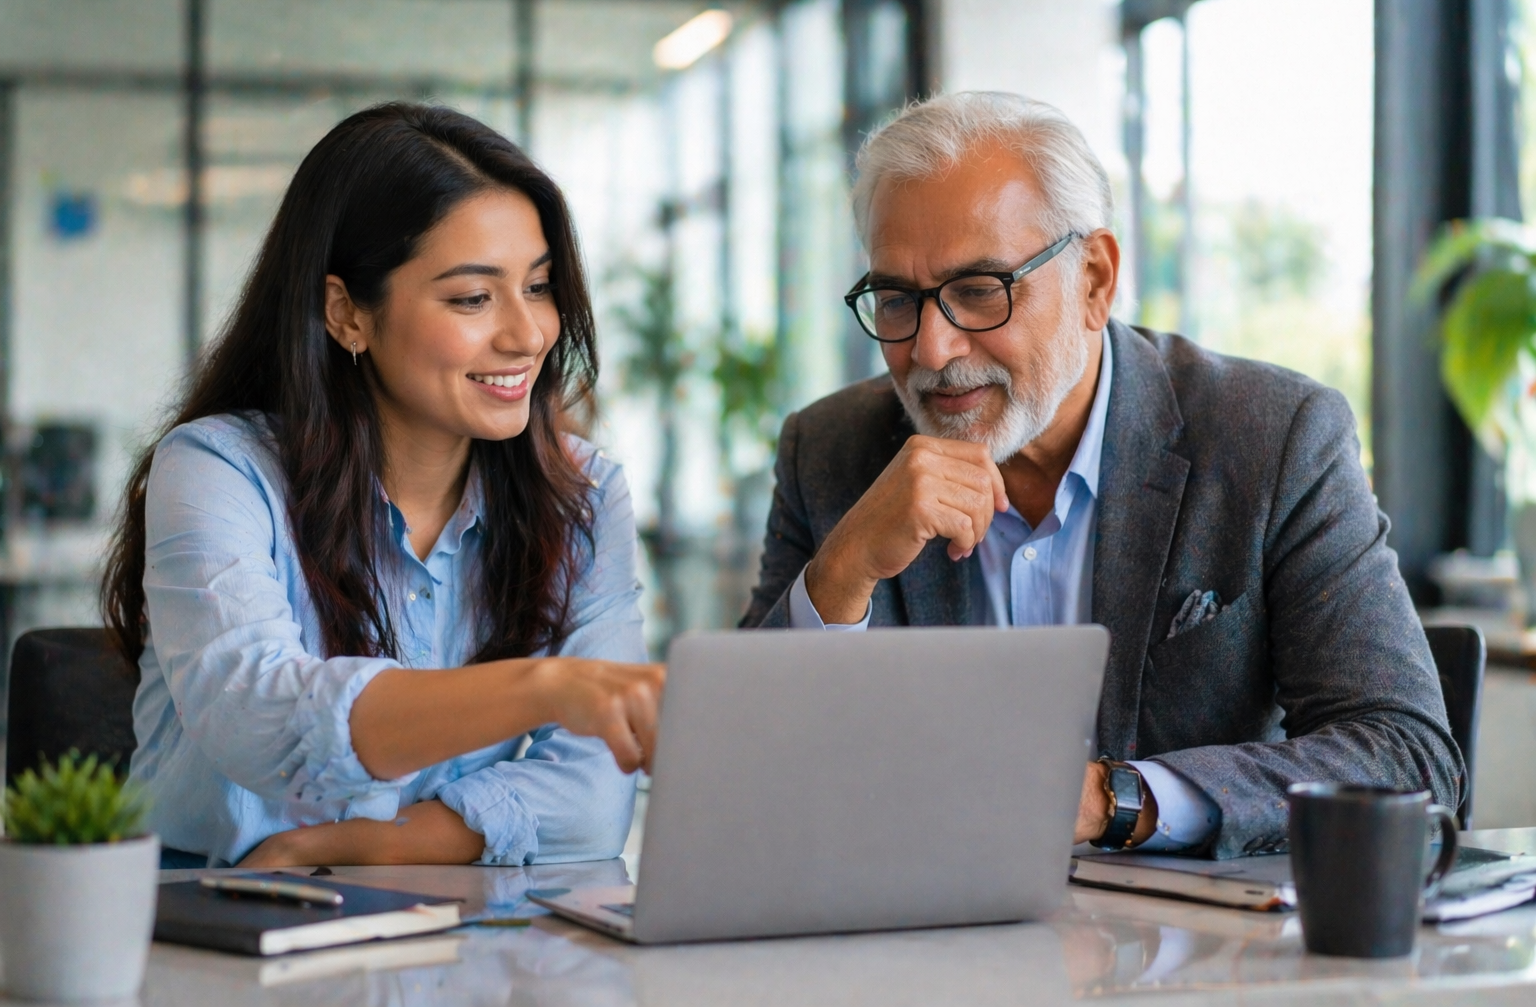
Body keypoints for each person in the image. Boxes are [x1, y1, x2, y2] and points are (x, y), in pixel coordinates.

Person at [742, 92, 1461, 859]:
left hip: (1186, 960)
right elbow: (739, 773)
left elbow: (1407, 756)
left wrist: (1109, 800)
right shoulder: (829, 451)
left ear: (1093, 278)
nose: (932, 351)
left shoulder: (1272, 437)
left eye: (980, 291)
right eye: (896, 300)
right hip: (919, 946)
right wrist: (841, 574)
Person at [104, 103, 664, 869]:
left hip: (453, 933)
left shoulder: (584, 494)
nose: (528, 333)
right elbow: (257, 715)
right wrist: (545, 687)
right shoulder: (218, 470)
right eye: (472, 297)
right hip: (213, 931)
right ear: (347, 313)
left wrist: (361, 845)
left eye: (537, 286)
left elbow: (597, 798)